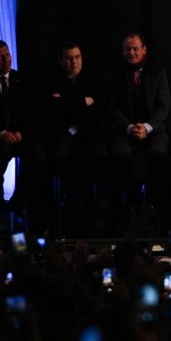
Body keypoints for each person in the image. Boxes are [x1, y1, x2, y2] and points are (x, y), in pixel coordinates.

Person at [43, 41, 109, 228]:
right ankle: (68, 205)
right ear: (61, 61)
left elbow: (98, 110)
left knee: (101, 155)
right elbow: (54, 111)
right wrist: (83, 101)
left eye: (77, 57)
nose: (74, 62)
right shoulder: (52, 81)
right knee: (59, 156)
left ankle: (96, 208)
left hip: (89, 130)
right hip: (63, 132)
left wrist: (66, 103)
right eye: (69, 58)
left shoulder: (94, 79)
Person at [105, 33, 171, 209]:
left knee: (158, 153)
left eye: (135, 48)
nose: (131, 52)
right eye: (128, 49)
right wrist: (130, 127)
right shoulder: (114, 76)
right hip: (124, 131)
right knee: (120, 154)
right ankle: (129, 202)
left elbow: (163, 108)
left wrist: (147, 127)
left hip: (153, 129)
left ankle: (152, 204)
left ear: (144, 50)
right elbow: (111, 109)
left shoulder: (158, 74)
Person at [0, 39, 47, 229]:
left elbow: (35, 113)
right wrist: (2, 132)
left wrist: (21, 133)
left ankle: (18, 200)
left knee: (38, 156)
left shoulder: (22, 80)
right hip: (0, 137)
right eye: (0, 57)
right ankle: (1, 207)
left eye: (7, 54)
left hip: (20, 136)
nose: (6, 60)